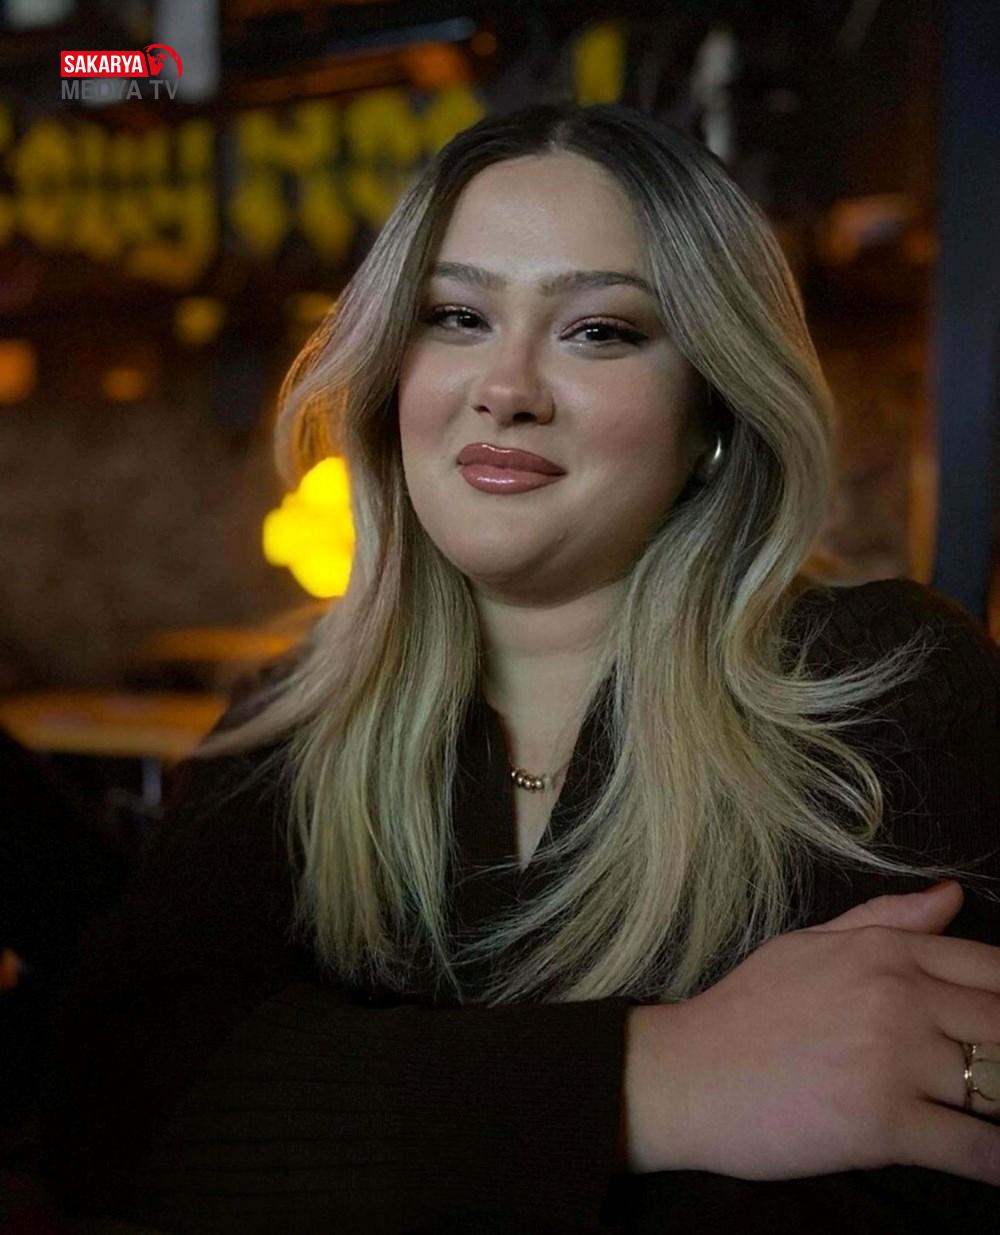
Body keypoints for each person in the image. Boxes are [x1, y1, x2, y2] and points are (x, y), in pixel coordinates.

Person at [40, 101, 1000, 1233]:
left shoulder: (888, 690)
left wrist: (363, 1127)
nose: (506, 386)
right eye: (456, 316)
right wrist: (655, 1078)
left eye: (599, 330)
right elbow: (115, 1112)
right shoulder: (292, 727)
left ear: (712, 411)